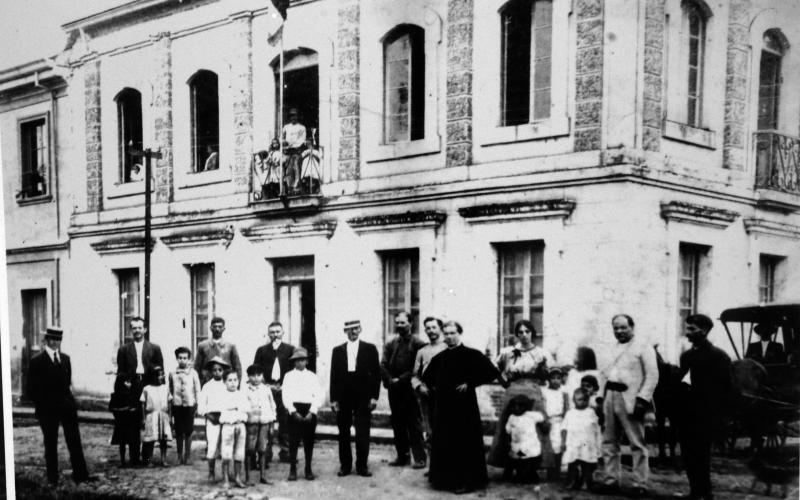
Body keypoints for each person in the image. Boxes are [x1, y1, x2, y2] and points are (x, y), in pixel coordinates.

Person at [422, 320, 502, 494]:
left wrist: (470, 382)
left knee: (464, 442)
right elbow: (427, 377)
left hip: (464, 407)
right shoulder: (440, 358)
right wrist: (437, 388)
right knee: (446, 440)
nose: (449, 337)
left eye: (453, 333)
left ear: (459, 333)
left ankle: (466, 481)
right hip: (444, 407)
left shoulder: (471, 354)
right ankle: (444, 479)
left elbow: (491, 372)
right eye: (447, 334)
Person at [597, 314, 659, 496]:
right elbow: (603, 375)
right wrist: (600, 398)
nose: (619, 331)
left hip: (631, 398)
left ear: (632, 327)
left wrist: (643, 399)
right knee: (609, 441)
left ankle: (640, 483)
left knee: (636, 442)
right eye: (616, 328)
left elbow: (652, 375)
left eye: (623, 327)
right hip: (610, 395)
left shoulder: (643, 347)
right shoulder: (610, 348)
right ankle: (611, 480)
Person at [26, 327, 95, 485]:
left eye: (58, 339)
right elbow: (30, 389)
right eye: (52, 339)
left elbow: (67, 383)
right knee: (50, 444)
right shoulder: (37, 361)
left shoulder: (65, 359)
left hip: (67, 408)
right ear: (46, 340)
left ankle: (81, 474)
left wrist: (69, 402)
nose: (55, 342)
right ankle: (53, 479)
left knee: (74, 441)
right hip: (48, 410)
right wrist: (43, 404)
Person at [488, 319, 553, 476]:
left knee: (535, 425)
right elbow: (493, 369)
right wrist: (505, 384)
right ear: (516, 335)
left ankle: (534, 466)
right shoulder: (508, 352)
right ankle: (508, 465)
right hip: (513, 391)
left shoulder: (541, 353)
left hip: (532, 391)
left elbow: (551, 374)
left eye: (527, 331)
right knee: (509, 428)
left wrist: (542, 373)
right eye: (520, 332)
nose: (524, 335)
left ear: (532, 333)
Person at [676, 314, 732, 500]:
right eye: (687, 328)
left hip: (706, 415)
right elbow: (682, 383)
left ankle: (705, 493)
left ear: (705, 331)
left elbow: (724, 391)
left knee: (702, 455)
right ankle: (695, 491)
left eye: (692, 329)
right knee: (688, 454)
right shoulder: (686, 356)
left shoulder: (719, 357)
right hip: (687, 414)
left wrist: (718, 418)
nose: (688, 333)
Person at [330, 319, 381, 477]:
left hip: (363, 396)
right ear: (345, 331)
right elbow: (334, 376)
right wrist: (333, 399)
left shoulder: (370, 348)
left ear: (360, 329)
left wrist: (374, 397)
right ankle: (345, 466)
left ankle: (362, 466)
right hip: (344, 396)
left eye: (356, 328)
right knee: (343, 431)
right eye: (349, 329)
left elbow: (376, 374)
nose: (353, 332)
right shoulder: (337, 350)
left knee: (362, 431)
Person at [381, 311, 428, 468]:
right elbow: (383, 364)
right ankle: (402, 456)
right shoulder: (390, 344)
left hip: (410, 390)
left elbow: (416, 368)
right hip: (394, 390)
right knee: (397, 423)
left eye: (403, 322)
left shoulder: (418, 344)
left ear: (410, 323)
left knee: (414, 423)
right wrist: (389, 379)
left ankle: (420, 457)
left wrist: (400, 380)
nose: (399, 325)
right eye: (397, 322)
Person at [116, 316, 164, 465]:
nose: (137, 331)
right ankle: (134, 457)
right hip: (132, 386)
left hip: (149, 385)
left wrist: (161, 388)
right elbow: (120, 371)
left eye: (139, 327)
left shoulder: (154, 348)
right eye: (134, 328)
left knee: (149, 420)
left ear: (145, 329)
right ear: (131, 330)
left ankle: (147, 457)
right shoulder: (124, 349)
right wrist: (125, 382)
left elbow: (160, 370)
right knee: (133, 421)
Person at [252, 321, 295, 463]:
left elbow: (293, 371)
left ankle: (285, 451)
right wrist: (266, 385)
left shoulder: (290, 350)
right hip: (267, 390)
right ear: (268, 334)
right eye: (272, 332)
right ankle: (267, 452)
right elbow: (256, 370)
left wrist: (285, 386)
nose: (275, 335)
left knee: (286, 422)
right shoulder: (262, 350)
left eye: (278, 332)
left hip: (285, 390)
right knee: (268, 421)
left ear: (283, 333)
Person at [282, 347, 323, 481]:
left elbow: (318, 395)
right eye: (297, 360)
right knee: (293, 441)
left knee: (308, 441)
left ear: (307, 361)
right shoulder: (288, 376)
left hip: (309, 410)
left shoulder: (312, 376)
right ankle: (292, 469)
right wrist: (292, 411)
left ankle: (308, 468)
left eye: (303, 360)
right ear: (293, 362)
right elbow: (285, 395)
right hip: (294, 410)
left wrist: (312, 411)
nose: (300, 363)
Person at [411, 316, 447, 455]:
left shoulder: (447, 348)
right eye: (428, 328)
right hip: (428, 397)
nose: (431, 331)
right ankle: (433, 469)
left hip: (446, 396)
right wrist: (420, 387)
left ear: (440, 329)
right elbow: (415, 375)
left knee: (447, 431)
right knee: (430, 432)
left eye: (434, 327)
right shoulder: (422, 351)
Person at [562, 387, 602, 491]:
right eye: (579, 400)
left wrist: (597, 444)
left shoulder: (591, 412)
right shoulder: (570, 413)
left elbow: (596, 428)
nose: (582, 402)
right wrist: (563, 442)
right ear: (574, 400)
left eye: (585, 400)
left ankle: (585, 481)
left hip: (587, 442)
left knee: (586, 463)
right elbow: (564, 428)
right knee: (572, 463)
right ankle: (572, 481)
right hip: (573, 442)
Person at [198, 356, 229, 483]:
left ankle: (225, 474)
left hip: (225, 418)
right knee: (212, 446)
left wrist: (226, 416)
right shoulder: (207, 386)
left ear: (223, 371)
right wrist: (208, 416)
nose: (217, 372)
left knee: (225, 447)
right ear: (211, 371)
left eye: (220, 370)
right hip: (212, 419)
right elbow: (201, 406)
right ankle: (211, 472)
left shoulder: (227, 385)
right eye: (214, 370)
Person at [244, 364, 277, 485]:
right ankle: (247, 477)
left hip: (264, 422)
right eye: (253, 375)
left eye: (259, 375)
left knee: (262, 449)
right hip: (251, 423)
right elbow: (242, 406)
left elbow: (272, 406)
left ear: (262, 376)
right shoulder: (245, 390)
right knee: (249, 449)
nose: (256, 378)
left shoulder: (266, 389)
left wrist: (272, 424)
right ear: (248, 376)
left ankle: (263, 476)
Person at [168, 346, 201, 465]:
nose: (182, 360)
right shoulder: (172, 373)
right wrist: (171, 404)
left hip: (189, 405)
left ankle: (187, 455)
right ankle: (179, 455)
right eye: (180, 358)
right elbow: (170, 389)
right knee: (179, 431)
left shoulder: (193, 373)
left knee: (188, 431)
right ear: (177, 359)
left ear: (189, 359)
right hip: (177, 405)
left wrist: (197, 404)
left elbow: (197, 390)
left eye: (185, 358)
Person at [218, 370, 249, 489]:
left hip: (240, 425)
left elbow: (245, 408)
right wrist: (234, 409)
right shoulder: (222, 395)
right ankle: (225, 478)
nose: (233, 383)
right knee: (226, 453)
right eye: (229, 380)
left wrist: (236, 410)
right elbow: (224, 409)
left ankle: (237, 478)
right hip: (228, 426)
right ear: (224, 382)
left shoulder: (241, 395)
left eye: (235, 380)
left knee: (239, 453)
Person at [504, 395, 546, 483]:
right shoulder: (512, 417)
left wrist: (544, 427)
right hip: (517, 445)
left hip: (530, 445)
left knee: (529, 461)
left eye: (520, 406)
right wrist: (508, 443)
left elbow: (542, 420)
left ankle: (530, 475)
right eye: (514, 407)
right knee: (518, 461)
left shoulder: (531, 415)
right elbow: (508, 431)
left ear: (526, 407)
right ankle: (520, 474)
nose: (516, 409)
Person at [195, 316, 242, 385]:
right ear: (211, 328)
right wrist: (200, 383)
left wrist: (236, 384)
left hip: (226, 383)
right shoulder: (202, 346)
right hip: (207, 382)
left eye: (220, 327)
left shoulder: (230, 346)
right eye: (215, 326)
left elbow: (237, 367)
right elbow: (197, 367)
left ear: (224, 329)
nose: (217, 329)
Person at [140, 366, 172, 467]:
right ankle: (149, 460)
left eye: (162, 375)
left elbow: (170, 403)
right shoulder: (147, 389)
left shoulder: (165, 388)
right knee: (150, 440)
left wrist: (170, 416)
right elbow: (143, 404)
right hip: (151, 416)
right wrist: (143, 418)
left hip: (163, 416)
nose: (161, 377)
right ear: (153, 376)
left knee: (164, 440)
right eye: (159, 375)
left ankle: (164, 460)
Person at [543, 366, 569, 480]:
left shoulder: (564, 391)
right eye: (553, 378)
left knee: (558, 447)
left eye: (558, 378)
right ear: (548, 379)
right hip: (549, 421)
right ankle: (550, 471)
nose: (555, 380)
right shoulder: (545, 391)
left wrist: (566, 420)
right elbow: (543, 407)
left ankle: (557, 471)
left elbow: (566, 408)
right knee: (550, 448)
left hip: (559, 421)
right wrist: (545, 420)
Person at [109, 373, 140, 467]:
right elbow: (111, 408)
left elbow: (136, 406)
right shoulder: (116, 396)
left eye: (130, 382)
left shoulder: (132, 395)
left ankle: (132, 460)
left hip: (131, 422)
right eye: (127, 382)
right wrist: (123, 410)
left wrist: (133, 410)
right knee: (122, 442)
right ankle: (122, 460)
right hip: (121, 422)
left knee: (131, 441)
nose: (129, 384)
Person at [282, 108, 306, 193]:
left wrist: (293, 145)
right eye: (292, 116)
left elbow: (302, 140)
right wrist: (284, 144)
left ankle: (297, 187)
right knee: (289, 170)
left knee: (297, 169)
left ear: (297, 116)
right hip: (288, 152)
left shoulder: (301, 128)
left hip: (296, 151)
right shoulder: (286, 127)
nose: (293, 118)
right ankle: (289, 187)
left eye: (295, 116)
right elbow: (282, 138)